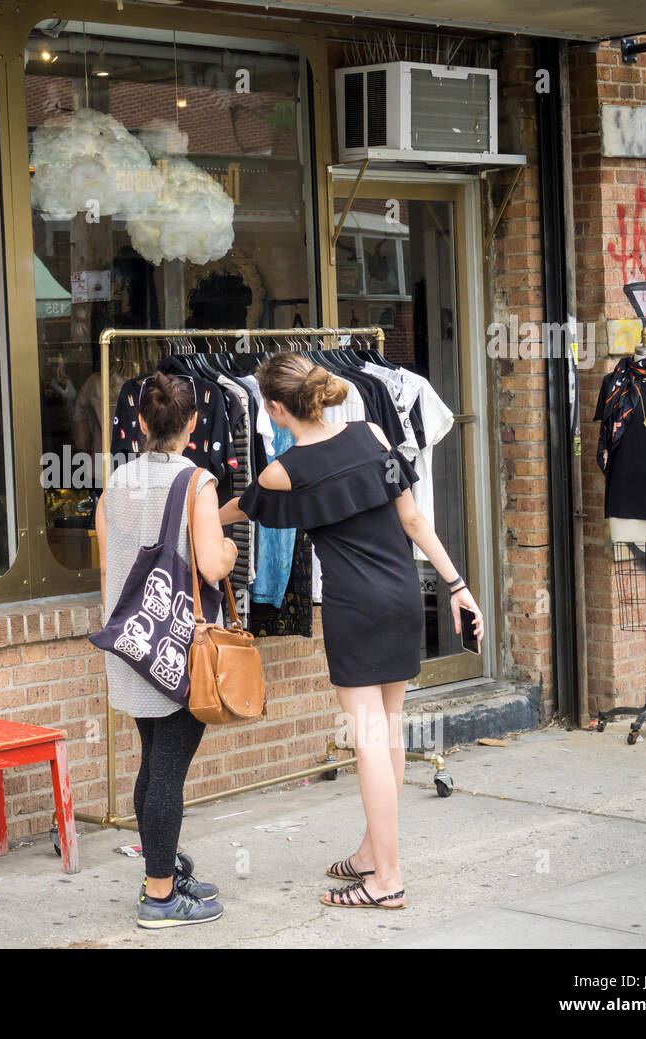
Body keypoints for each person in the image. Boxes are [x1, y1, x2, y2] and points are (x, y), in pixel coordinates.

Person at [219, 354, 484, 911]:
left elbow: (243, 510)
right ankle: (372, 851)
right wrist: (458, 586)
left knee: (367, 740)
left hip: (354, 609)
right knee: (386, 731)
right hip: (402, 597)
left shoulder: (283, 471)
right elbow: (413, 520)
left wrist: (187, 514)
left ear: (273, 408)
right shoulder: (371, 433)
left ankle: (386, 878)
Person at [94, 372, 238, 928]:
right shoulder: (197, 483)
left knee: (153, 761)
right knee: (167, 772)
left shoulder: (116, 482)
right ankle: (159, 897)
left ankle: (163, 871)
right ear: (192, 424)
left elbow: (109, 567)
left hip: (132, 642)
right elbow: (210, 566)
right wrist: (225, 546)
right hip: (180, 648)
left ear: (143, 423)